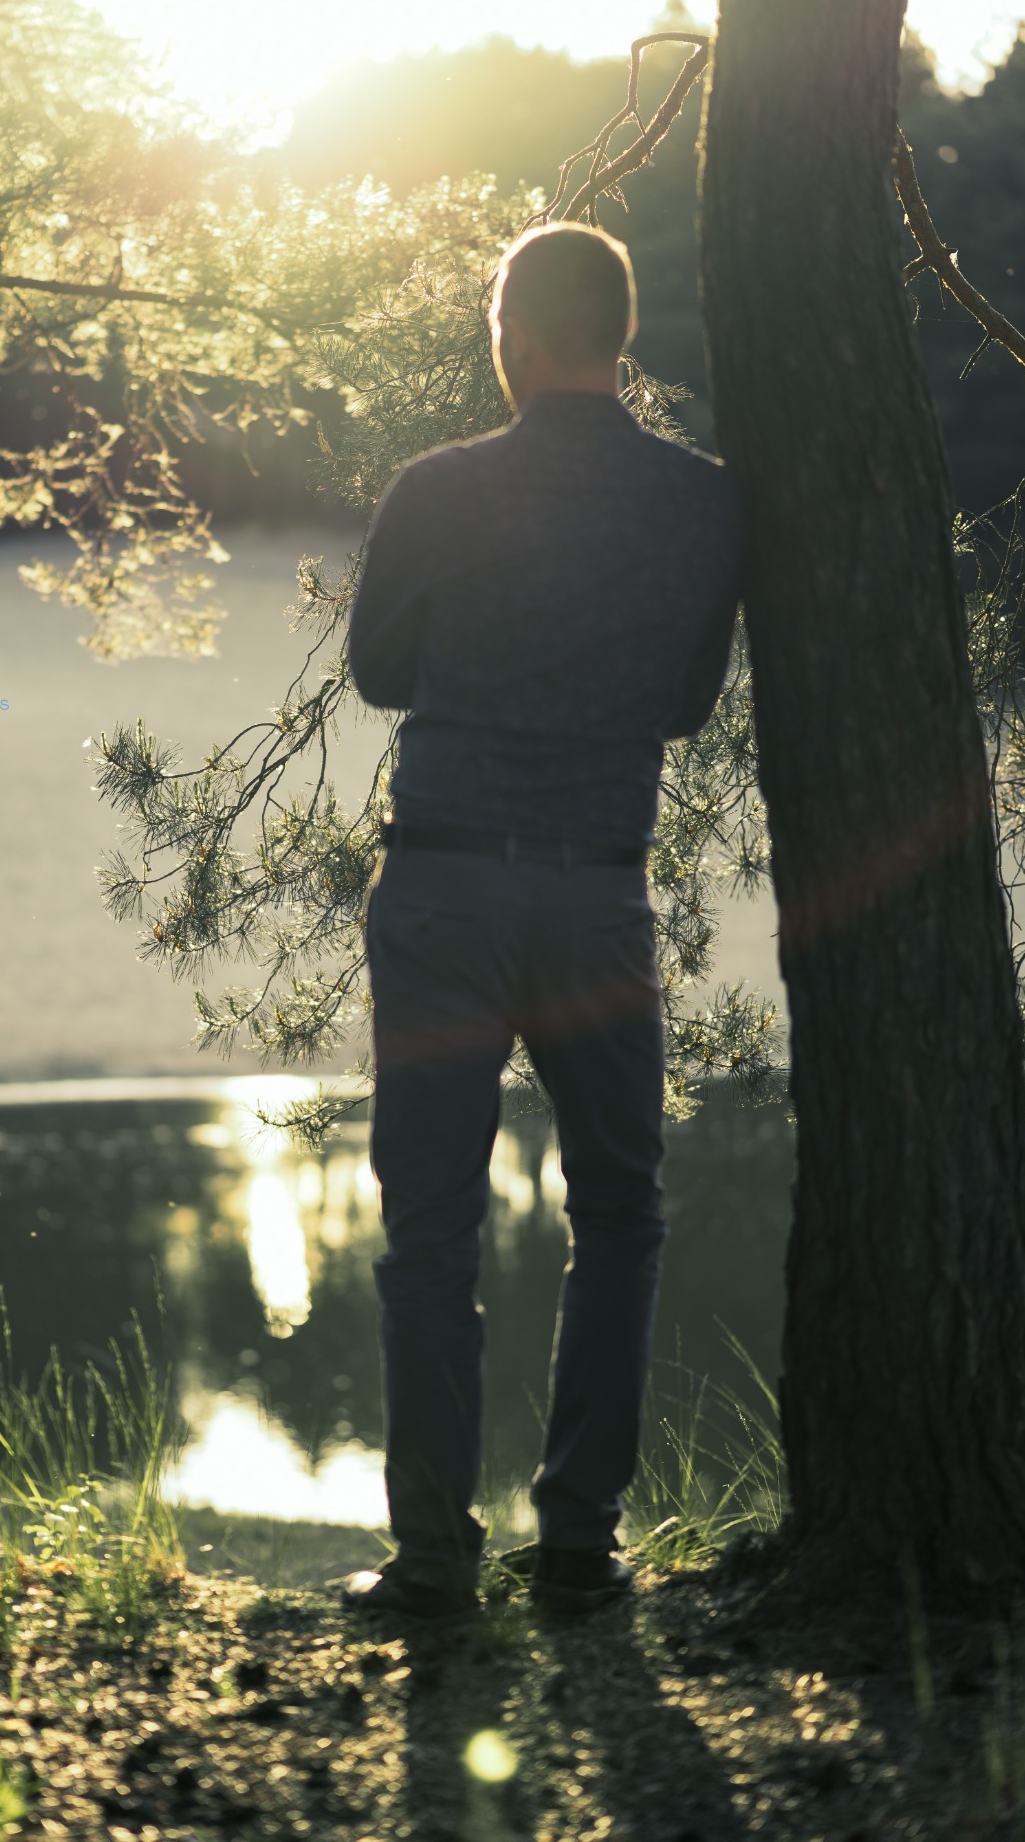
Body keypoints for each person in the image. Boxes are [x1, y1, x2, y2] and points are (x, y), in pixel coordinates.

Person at [339, 221, 743, 1620]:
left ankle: (431, 1558)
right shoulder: (703, 502)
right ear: (618, 337)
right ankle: (578, 1541)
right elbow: (686, 706)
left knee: (430, 1228)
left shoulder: (439, 489)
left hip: (445, 881)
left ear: (508, 334)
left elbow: (378, 672)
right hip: (593, 886)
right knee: (620, 1211)